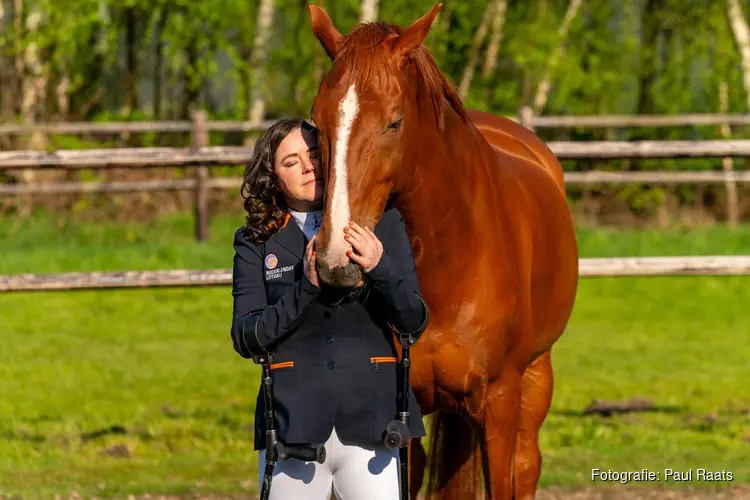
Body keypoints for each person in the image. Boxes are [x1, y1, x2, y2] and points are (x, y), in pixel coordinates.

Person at [230, 117, 429, 499]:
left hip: (372, 420)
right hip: (291, 425)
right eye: (291, 162)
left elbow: (414, 322)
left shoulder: (382, 222)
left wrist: (378, 268)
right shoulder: (255, 240)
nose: (308, 166)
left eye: (315, 153)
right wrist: (306, 288)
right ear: (272, 177)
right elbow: (246, 337)